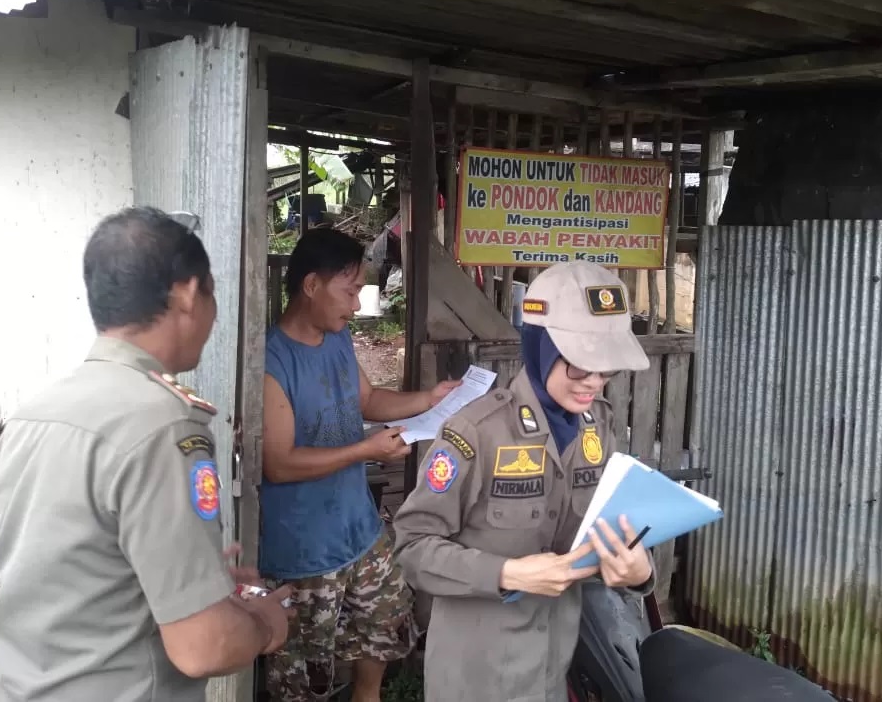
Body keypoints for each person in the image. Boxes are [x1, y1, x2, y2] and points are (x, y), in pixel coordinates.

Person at [0, 206, 293, 702]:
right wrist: (264, 623)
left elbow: (73, 573)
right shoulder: (164, 426)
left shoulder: (31, 416)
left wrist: (194, 582)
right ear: (189, 292)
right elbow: (204, 647)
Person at [392, 261, 656, 702]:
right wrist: (507, 573)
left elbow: (611, 526)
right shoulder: (476, 432)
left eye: (607, 368)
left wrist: (637, 570)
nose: (593, 381)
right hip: (475, 678)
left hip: (554, 669)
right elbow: (411, 547)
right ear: (541, 347)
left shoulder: (599, 428)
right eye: (578, 364)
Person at [260, 227, 460, 702]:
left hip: (361, 531)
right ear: (312, 286)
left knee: (384, 627)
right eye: (349, 291)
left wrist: (428, 399)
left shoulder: (338, 339)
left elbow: (366, 400)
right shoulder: (270, 362)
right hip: (304, 553)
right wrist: (366, 451)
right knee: (303, 678)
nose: (355, 305)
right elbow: (279, 465)